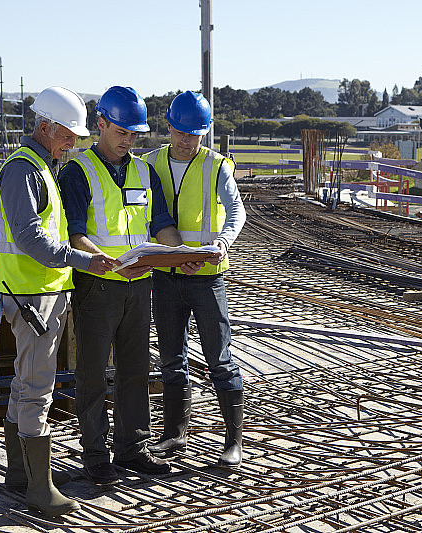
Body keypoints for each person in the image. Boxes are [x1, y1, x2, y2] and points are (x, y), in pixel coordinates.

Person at [58, 86, 193, 485]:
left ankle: (133, 449)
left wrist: (181, 254)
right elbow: (75, 235)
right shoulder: (77, 172)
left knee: (135, 370)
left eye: (135, 133)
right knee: (93, 373)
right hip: (98, 285)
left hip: (140, 285)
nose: (129, 139)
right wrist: (110, 266)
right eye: (122, 131)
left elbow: (161, 224)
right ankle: (96, 454)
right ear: (100, 123)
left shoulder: (143, 171)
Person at [0, 86, 117, 517]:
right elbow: (31, 239)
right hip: (32, 296)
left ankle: (21, 473)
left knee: (24, 384)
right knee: (36, 391)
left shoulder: (42, 166)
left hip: (40, 292)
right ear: (44, 127)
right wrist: (85, 260)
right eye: (68, 136)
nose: (73, 144)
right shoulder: (23, 170)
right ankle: (38, 489)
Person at [144, 91, 246, 467]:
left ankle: (232, 442)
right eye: (182, 133)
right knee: (172, 359)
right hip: (166, 278)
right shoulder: (149, 162)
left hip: (207, 278)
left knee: (219, 359)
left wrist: (222, 241)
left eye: (196, 134)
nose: (188, 141)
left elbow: (236, 210)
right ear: (168, 127)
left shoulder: (216, 165)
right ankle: (174, 435)